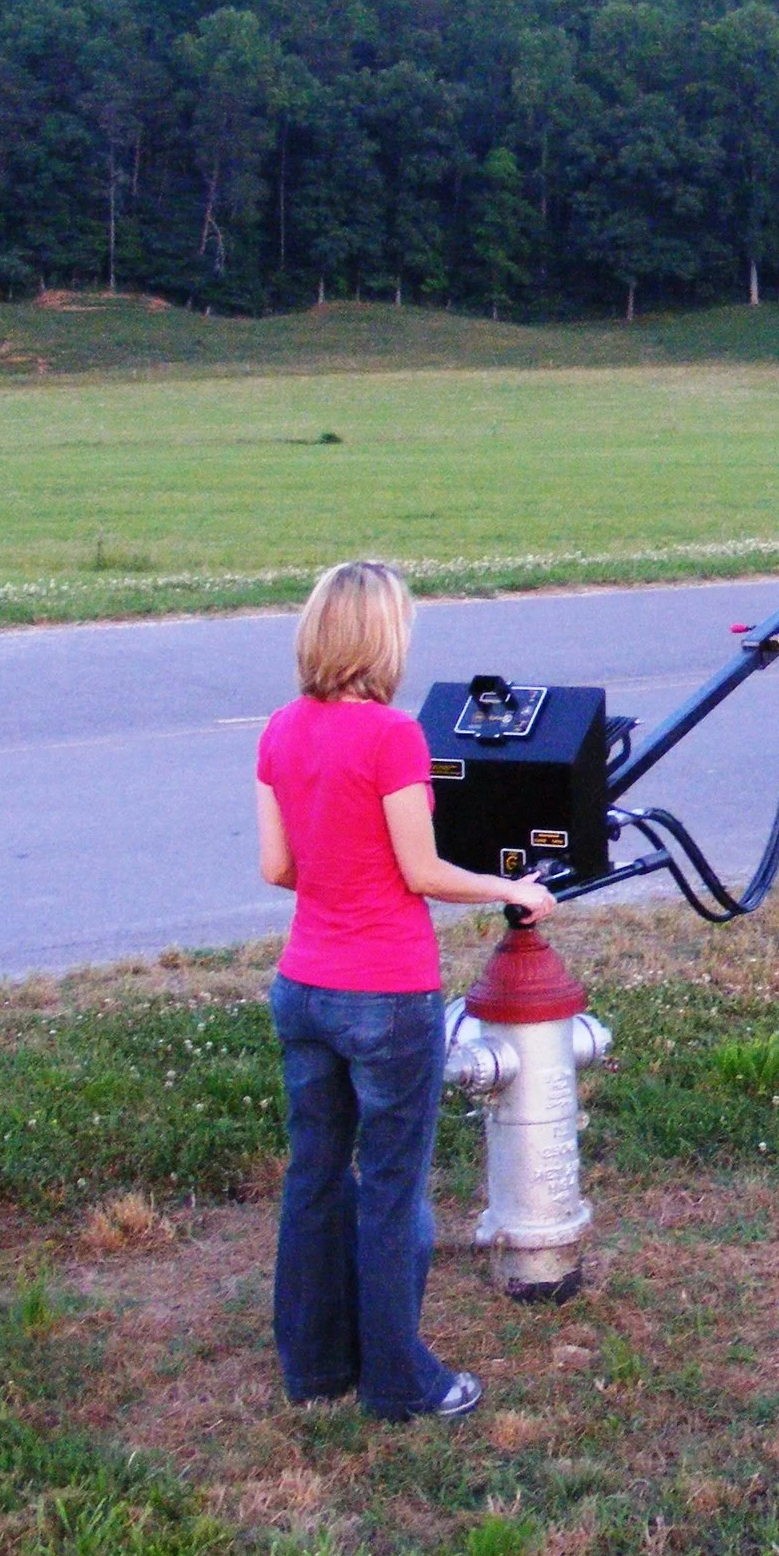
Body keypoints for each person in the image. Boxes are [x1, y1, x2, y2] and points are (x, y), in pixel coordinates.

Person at [255, 560, 554, 1420]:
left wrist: (338, 878)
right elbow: (421, 870)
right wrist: (512, 890)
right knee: (391, 1187)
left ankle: (312, 1368)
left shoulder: (279, 728)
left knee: (314, 1173)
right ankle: (399, 1380)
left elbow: (277, 865)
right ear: (383, 637)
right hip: (387, 995)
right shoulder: (392, 737)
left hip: (302, 986)